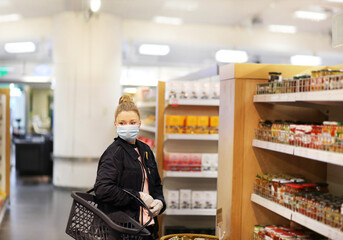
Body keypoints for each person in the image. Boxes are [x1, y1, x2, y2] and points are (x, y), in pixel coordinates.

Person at [94, 95, 166, 240]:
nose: (127, 126)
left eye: (132, 122)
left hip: (147, 228)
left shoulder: (146, 151)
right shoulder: (113, 154)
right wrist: (137, 197)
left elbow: (156, 185)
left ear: (139, 124)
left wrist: (160, 202)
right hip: (122, 229)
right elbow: (103, 189)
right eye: (122, 122)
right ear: (115, 124)